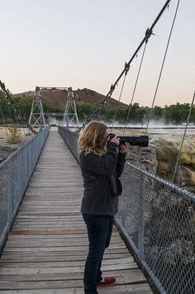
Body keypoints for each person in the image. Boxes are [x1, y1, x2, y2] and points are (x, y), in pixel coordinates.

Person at [77, 121, 130, 294]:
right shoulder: (87, 155)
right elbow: (107, 169)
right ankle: (89, 289)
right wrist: (113, 148)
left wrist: (121, 155)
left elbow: (115, 173)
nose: (109, 138)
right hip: (95, 209)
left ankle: (97, 277)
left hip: (106, 208)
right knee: (96, 250)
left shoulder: (104, 153)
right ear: (96, 136)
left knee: (103, 244)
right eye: (106, 136)